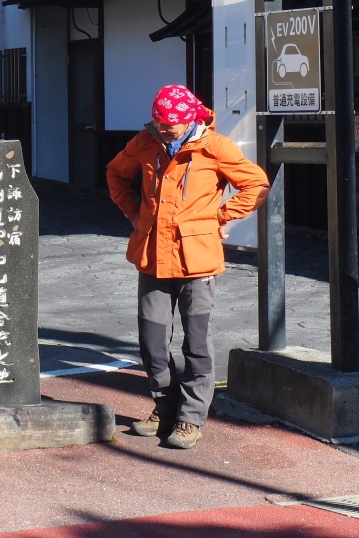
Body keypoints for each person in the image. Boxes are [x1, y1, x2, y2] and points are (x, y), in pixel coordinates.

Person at [106, 85, 269, 450]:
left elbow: (256, 184)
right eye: (159, 121)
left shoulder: (215, 147)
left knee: (196, 344)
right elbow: (116, 174)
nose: (164, 128)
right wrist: (134, 214)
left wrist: (222, 216)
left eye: (172, 124)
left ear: (192, 118)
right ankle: (164, 407)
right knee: (152, 343)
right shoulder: (145, 142)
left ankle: (190, 418)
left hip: (197, 259)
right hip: (152, 256)